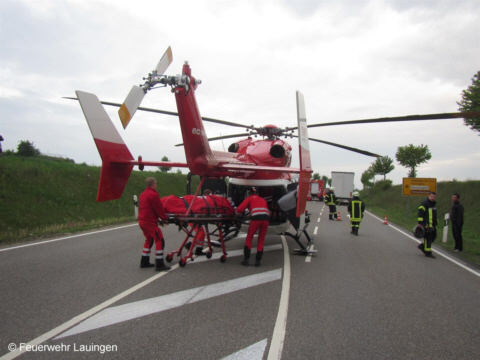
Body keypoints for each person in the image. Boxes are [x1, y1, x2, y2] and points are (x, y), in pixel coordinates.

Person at [138, 177, 170, 271]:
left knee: (149, 239)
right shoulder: (153, 195)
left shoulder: (143, 194)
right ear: (153, 184)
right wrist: (164, 219)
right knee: (159, 239)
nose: (156, 185)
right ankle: (159, 264)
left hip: (142, 221)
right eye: (156, 183)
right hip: (149, 222)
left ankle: (144, 261)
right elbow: (158, 209)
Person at [235, 187, 270, 267]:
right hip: (266, 219)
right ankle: (258, 261)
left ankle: (246, 259)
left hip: (256, 219)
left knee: (249, 237)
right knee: (261, 239)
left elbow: (240, 209)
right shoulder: (262, 199)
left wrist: (236, 213)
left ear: (249, 193)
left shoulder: (249, 198)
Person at [185, 189, 212, 256]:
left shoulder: (200, 198)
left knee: (201, 233)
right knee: (201, 233)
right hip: (194, 218)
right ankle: (190, 245)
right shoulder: (205, 199)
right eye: (210, 195)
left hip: (194, 218)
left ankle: (198, 249)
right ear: (207, 194)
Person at [417, 191, 438, 258]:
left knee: (433, 237)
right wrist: (420, 223)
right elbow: (420, 214)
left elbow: (434, 214)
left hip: (433, 224)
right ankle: (428, 253)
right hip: (426, 224)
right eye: (431, 196)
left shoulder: (433, 204)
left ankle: (422, 246)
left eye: (434, 197)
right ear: (428, 196)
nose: (432, 198)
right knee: (428, 238)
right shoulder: (424, 203)